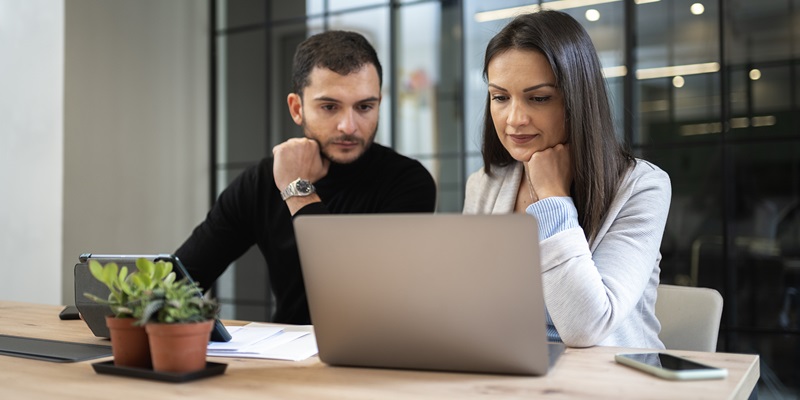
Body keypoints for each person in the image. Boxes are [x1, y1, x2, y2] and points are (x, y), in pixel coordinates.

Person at [176, 30, 437, 325]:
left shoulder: (407, 182)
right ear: (297, 109)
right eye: (329, 107)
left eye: (365, 107)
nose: (348, 126)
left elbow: (356, 296)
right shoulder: (262, 181)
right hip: (286, 358)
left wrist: (297, 191)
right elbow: (182, 278)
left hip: (372, 358)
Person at [462, 10, 671, 349]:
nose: (514, 119)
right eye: (500, 97)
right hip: (510, 371)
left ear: (576, 99)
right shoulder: (485, 184)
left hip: (608, 381)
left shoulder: (643, 187)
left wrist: (552, 198)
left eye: (539, 98)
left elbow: (586, 326)